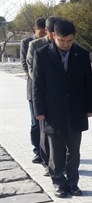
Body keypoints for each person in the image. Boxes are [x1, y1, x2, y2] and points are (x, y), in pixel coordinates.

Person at [32, 20, 92, 198]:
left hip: (76, 110)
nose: (66, 44)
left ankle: (73, 183)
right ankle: (58, 182)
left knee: (74, 151)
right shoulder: (41, 54)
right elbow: (37, 85)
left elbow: (88, 83)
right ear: (53, 36)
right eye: (62, 41)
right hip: (53, 111)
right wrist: (39, 110)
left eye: (70, 41)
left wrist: (90, 107)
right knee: (56, 152)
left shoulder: (81, 54)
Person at [27, 16, 63, 176]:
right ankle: (47, 162)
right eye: (54, 33)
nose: (57, 37)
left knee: (62, 131)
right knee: (43, 130)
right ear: (48, 31)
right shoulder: (35, 45)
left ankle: (61, 161)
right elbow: (31, 69)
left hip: (62, 97)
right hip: (42, 95)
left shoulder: (67, 43)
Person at [20, 17, 46, 165]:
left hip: (48, 91)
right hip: (33, 89)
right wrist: (38, 80)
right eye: (41, 32)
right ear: (35, 30)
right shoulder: (27, 43)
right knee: (35, 123)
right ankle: (37, 150)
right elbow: (25, 64)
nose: (43, 35)